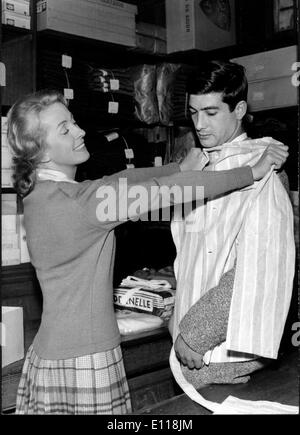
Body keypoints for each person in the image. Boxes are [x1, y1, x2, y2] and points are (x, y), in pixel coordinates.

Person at [6, 89, 288, 415]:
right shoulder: (82, 204)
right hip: (84, 359)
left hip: (51, 353)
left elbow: (118, 179)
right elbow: (163, 194)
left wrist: (177, 167)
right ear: (40, 151)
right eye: (64, 129)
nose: (80, 131)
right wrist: (250, 173)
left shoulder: (45, 194)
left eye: (73, 122)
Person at [170, 60, 295, 390]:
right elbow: (190, 253)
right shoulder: (199, 165)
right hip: (187, 345)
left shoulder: (264, 168)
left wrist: (196, 333)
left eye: (211, 113)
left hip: (224, 356)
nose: (200, 124)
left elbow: (257, 267)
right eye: (194, 112)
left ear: (239, 109)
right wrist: (177, 317)